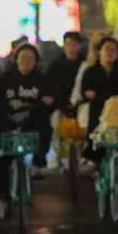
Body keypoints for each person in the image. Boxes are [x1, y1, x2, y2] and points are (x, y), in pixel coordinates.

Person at [0, 43, 54, 219]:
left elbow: (52, 98)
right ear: (16, 60)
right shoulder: (6, 78)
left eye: (30, 59)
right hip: (7, 126)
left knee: (45, 126)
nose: (26, 62)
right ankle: (0, 199)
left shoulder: (42, 79)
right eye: (22, 58)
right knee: (0, 162)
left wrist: (49, 101)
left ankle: (39, 161)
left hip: (32, 125)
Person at [80, 37, 118, 160]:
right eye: (107, 49)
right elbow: (84, 91)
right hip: (98, 111)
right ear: (100, 52)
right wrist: (88, 94)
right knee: (96, 144)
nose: (110, 52)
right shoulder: (90, 71)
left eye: (113, 50)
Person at [45, 31, 84, 164]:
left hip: (80, 106)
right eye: (68, 44)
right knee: (56, 129)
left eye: (74, 45)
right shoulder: (55, 65)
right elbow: (48, 85)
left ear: (79, 46)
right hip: (59, 105)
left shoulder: (84, 64)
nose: (71, 48)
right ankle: (56, 159)